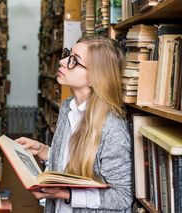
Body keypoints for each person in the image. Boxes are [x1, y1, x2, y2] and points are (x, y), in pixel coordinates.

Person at [16, 36, 133, 212]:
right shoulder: (67, 107)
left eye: (74, 60)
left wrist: (66, 194)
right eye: (67, 54)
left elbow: (122, 197)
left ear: (95, 77)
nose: (62, 61)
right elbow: (70, 163)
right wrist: (43, 150)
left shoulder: (112, 127)